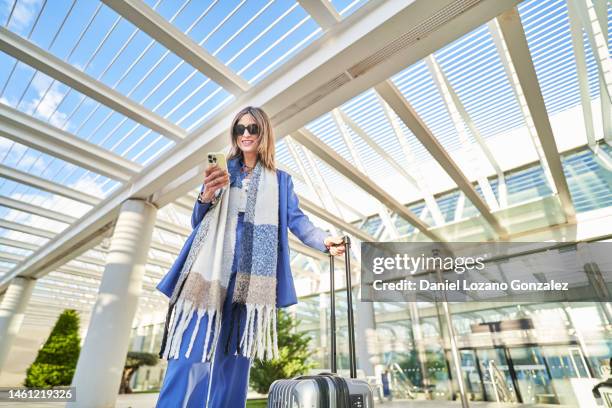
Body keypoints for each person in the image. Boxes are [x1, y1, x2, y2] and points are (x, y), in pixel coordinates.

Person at [154, 106, 345, 407]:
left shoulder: (281, 181)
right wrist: (206, 195)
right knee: (189, 357)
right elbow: (198, 221)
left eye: (252, 129)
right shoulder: (222, 168)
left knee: (234, 366)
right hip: (208, 273)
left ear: (264, 133)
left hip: (252, 281)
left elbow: (297, 220)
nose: (245, 134)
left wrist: (324, 240)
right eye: (239, 129)